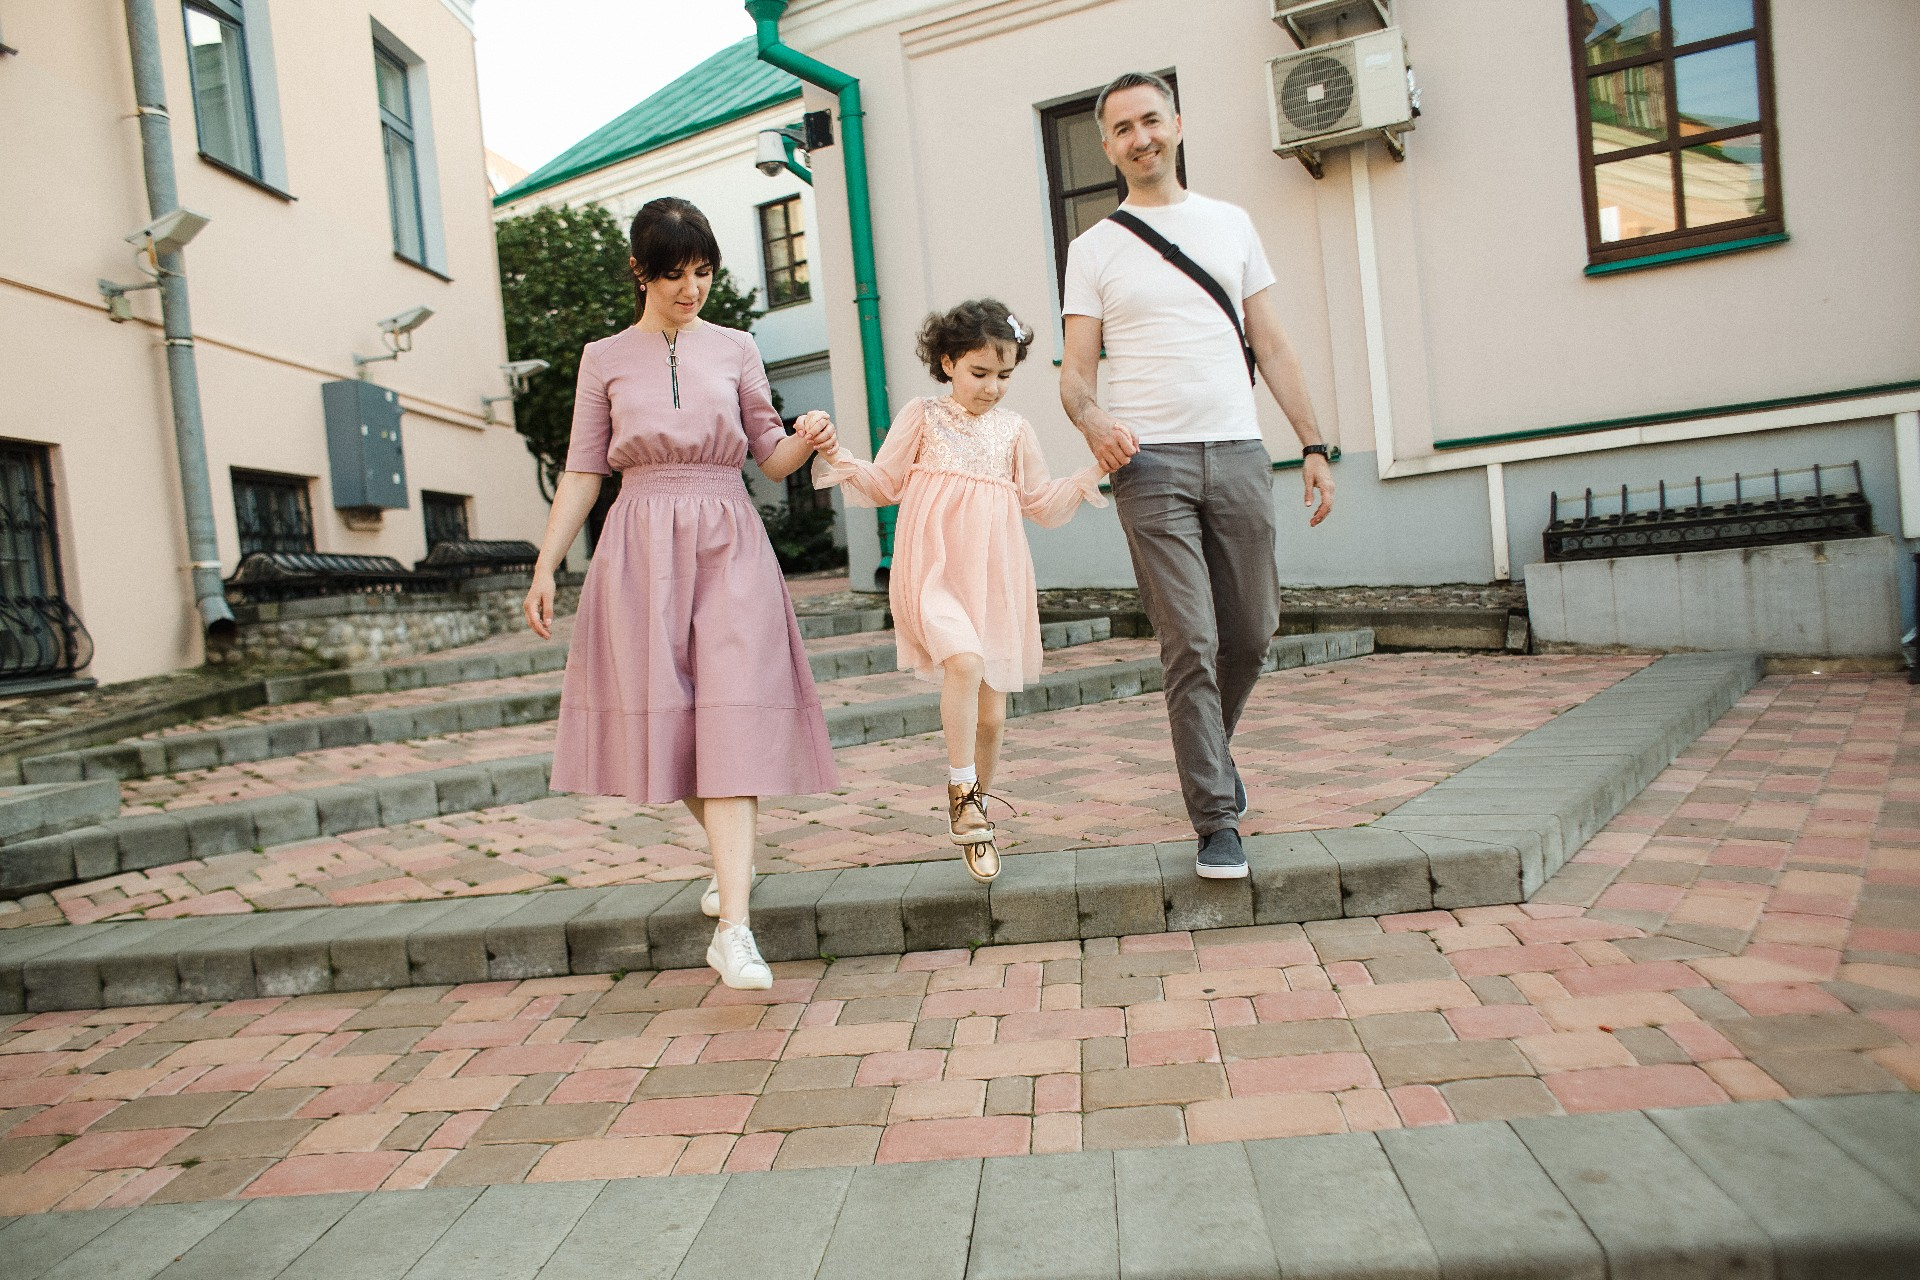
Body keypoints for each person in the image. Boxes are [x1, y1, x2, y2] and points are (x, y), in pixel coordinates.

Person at [522, 197, 836, 990]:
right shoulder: (604, 358)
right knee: (669, 731)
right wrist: (545, 566)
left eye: (702, 272)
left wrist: (809, 439)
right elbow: (585, 470)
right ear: (640, 271)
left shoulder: (736, 347)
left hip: (728, 537)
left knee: (730, 718)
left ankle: (734, 928)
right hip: (638, 546)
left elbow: (768, 454)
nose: (691, 288)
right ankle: (733, 877)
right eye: (674, 275)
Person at [1059, 71, 1335, 882]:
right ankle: (1216, 818)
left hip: (1241, 453)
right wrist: (1094, 420)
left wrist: (1313, 444)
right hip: (1149, 466)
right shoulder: (1094, 248)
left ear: (1176, 124)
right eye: (1122, 129)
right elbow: (1074, 374)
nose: (1140, 138)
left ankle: (1210, 753)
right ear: (1108, 146)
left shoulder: (1232, 224)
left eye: (1151, 120)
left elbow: (1273, 347)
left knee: (1251, 632)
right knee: (1191, 640)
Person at [810, 300, 1106, 881]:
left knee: (993, 717)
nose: (992, 387)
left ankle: (977, 813)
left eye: (1004, 375)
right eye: (979, 372)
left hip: (994, 581)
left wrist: (1095, 469)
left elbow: (1040, 505)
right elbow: (885, 483)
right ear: (948, 363)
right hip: (932, 572)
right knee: (964, 663)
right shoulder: (922, 417)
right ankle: (962, 793)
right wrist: (834, 453)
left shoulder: (1015, 430)